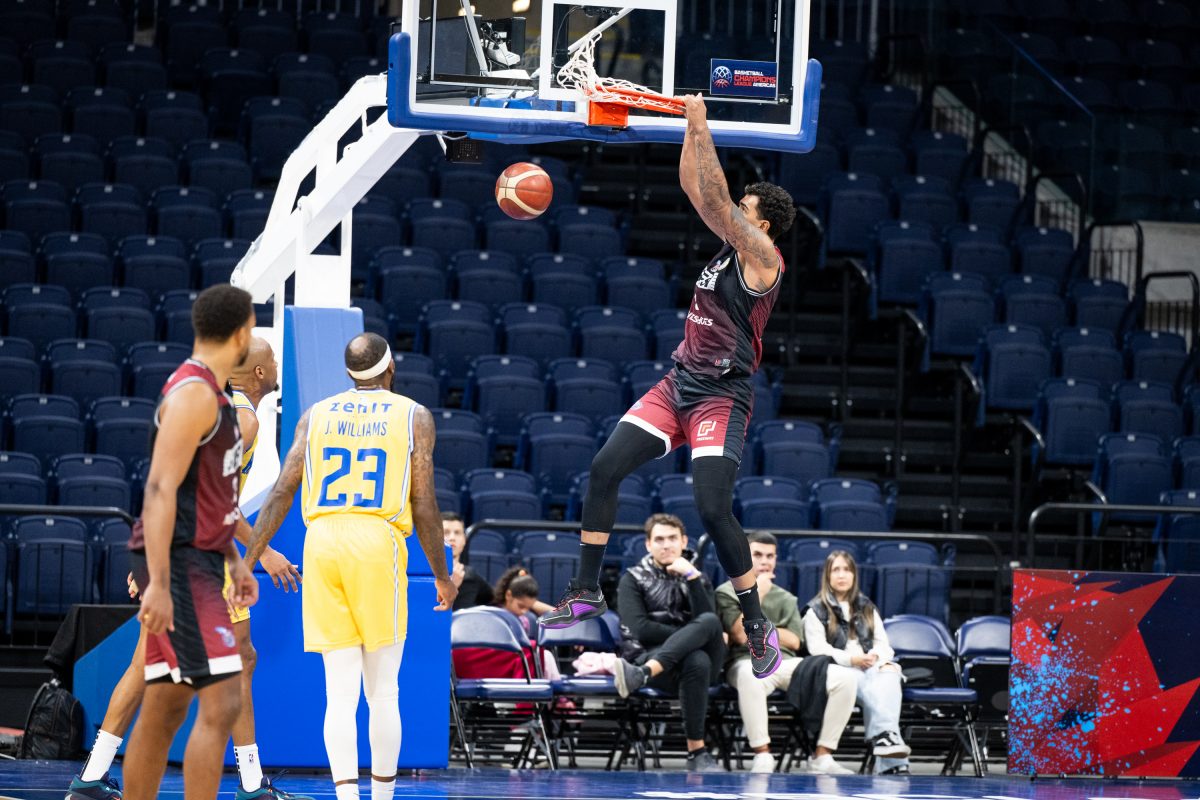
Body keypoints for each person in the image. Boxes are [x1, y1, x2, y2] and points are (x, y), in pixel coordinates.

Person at [539, 95, 797, 683]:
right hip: (678, 382)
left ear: (760, 224)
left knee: (711, 506)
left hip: (721, 394)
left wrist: (701, 124)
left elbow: (717, 201)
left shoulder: (764, 258)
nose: (732, 211)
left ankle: (757, 624)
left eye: (744, 208)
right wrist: (687, 128)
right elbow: (695, 188)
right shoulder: (730, 246)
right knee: (604, 468)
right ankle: (586, 588)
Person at [68, 335, 305, 800]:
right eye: (274, 360)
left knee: (150, 665)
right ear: (259, 372)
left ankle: (92, 775)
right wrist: (264, 551)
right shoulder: (242, 420)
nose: (278, 366)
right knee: (233, 664)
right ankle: (250, 784)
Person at [246, 332, 457, 800]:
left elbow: (282, 491)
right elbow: (423, 501)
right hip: (376, 538)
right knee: (382, 692)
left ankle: (346, 796)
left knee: (338, 694)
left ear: (349, 373)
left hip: (321, 541)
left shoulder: (315, 414)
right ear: (391, 367)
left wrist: (249, 559)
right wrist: (441, 575)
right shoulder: (413, 415)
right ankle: (381, 797)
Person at [118, 284, 260, 800]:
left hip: (201, 558)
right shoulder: (194, 394)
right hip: (179, 565)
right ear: (240, 333)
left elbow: (207, 496)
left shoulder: (217, 398)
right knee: (222, 700)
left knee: (167, 704)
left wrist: (234, 559)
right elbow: (158, 489)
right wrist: (158, 583)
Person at [713, 532, 851, 774]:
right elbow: (740, 635)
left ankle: (823, 755)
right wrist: (757, 594)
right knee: (751, 675)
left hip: (785, 661)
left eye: (770, 556)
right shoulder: (725, 591)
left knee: (845, 678)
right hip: (745, 660)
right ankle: (762, 754)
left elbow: (795, 641)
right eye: (757, 555)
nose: (765, 561)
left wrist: (761, 627)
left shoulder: (786, 597)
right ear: (743, 556)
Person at [608, 514, 726, 772]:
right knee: (697, 660)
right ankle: (697, 753)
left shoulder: (699, 577)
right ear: (648, 545)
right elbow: (641, 630)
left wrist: (692, 578)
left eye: (672, 539)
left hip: (678, 667)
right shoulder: (632, 579)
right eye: (659, 540)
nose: (666, 545)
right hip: (650, 654)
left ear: (683, 542)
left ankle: (642, 674)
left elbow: (709, 625)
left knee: (709, 622)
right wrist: (690, 638)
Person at [802, 550, 912, 775]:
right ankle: (890, 755)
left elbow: (884, 645)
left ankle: (885, 740)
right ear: (827, 575)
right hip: (837, 671)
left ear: (854, 575)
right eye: (836, 570)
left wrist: (875, 657)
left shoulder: (866, 607)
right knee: (867, 681)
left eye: (847, 569)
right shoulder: (815, 610)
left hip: (868, 667)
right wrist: (852, 659)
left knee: (890, 670)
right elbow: (818, 649)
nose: (842, 575)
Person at [442, 512, 494, 610]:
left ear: (464, 540)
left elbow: (495, 599)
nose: (452, 538)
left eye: (457, 533)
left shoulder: (470, 576)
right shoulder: (423, 575)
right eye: (446, 532)